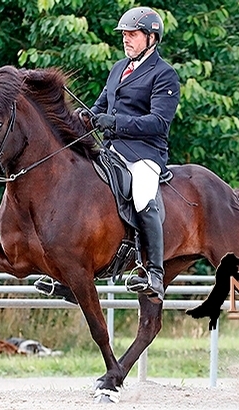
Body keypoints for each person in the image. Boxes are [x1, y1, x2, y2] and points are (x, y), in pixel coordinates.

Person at [85, 7, 180, 303]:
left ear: (152, 38)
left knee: (142, 197)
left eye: (132, 34)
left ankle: (153, 271)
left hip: (145, 154)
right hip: (111, 150)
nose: (126, 39)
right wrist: (82, 117)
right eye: (124, 34)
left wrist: (116, 123)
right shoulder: (118, 69)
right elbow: (99, 106)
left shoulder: (164, 75)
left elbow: (158, 122)